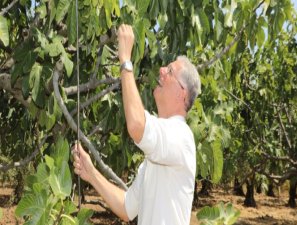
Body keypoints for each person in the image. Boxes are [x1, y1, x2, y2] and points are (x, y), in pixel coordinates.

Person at [72, 24, 201, 225]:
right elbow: (126, 208)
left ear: (182, 92)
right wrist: (92, 174)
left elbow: (136, 126)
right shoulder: (155, 156)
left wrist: (125, 61)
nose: (161, 70)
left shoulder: (181, 136)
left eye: (169, 70)